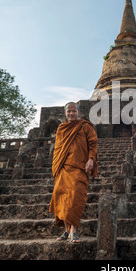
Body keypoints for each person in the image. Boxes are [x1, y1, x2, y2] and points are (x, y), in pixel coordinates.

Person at [49, 102, 98, 242]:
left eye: (73, 111)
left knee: (76, 198)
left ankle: (74, 230)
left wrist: (91, 159)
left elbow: (93, 144)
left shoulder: (85, 126)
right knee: (62, 198)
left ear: (78, 112)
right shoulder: (61, 128)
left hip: (79, 168)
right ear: (65, 113)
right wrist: (56, 166)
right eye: (68, 111)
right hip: (63, 168)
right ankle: (66, 231)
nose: (71, 114)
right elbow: (58, 149)